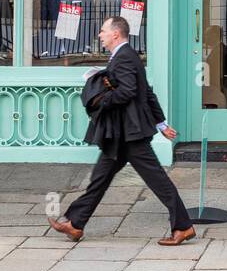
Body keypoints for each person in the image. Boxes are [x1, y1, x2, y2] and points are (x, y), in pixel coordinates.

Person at [49, 15, 195, 246]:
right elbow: (147, 93)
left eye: (103, 31)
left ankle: (183, 227)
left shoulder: (124, 58)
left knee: (158, 181)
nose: (100, 35)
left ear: (116, 34)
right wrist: (162, 124)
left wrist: (101, 101)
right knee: (99, 178)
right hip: (120, 134)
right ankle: (75, 224)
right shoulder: (125, 57)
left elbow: (127, 92)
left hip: (130, 134)